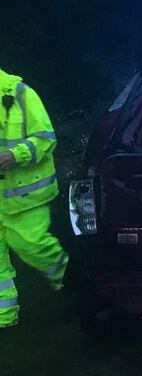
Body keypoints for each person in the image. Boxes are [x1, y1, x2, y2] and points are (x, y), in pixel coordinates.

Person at [0, 68, 68, 328]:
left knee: (31, 244)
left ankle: (69, 276)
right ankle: (4, 319)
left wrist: (15, 155)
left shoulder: (21, 94)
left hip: (25, 195)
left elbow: (45, 138)